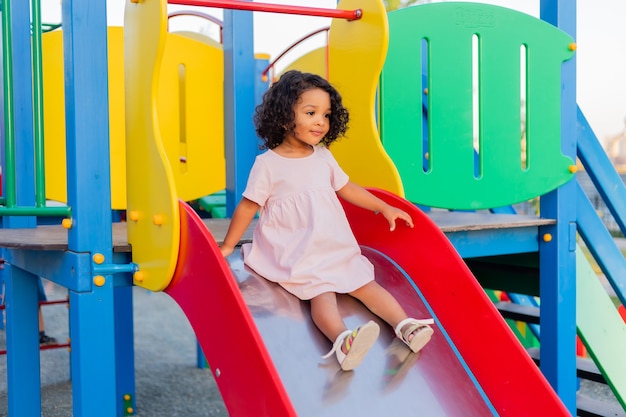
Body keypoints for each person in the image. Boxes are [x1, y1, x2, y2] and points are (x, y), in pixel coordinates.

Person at [219, 70, 434, 371]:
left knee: (365, 284)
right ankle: (342, 340)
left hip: (332, 243)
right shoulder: (268, 165)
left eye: (326, 114)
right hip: (296, 249)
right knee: (321, 293)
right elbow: (247, 206)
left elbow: (347, 188)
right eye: (311, 113)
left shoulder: (322, 156)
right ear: (283, 117)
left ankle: (405, 326)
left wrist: (381, 207)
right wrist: (228, 245)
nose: (321, 121)